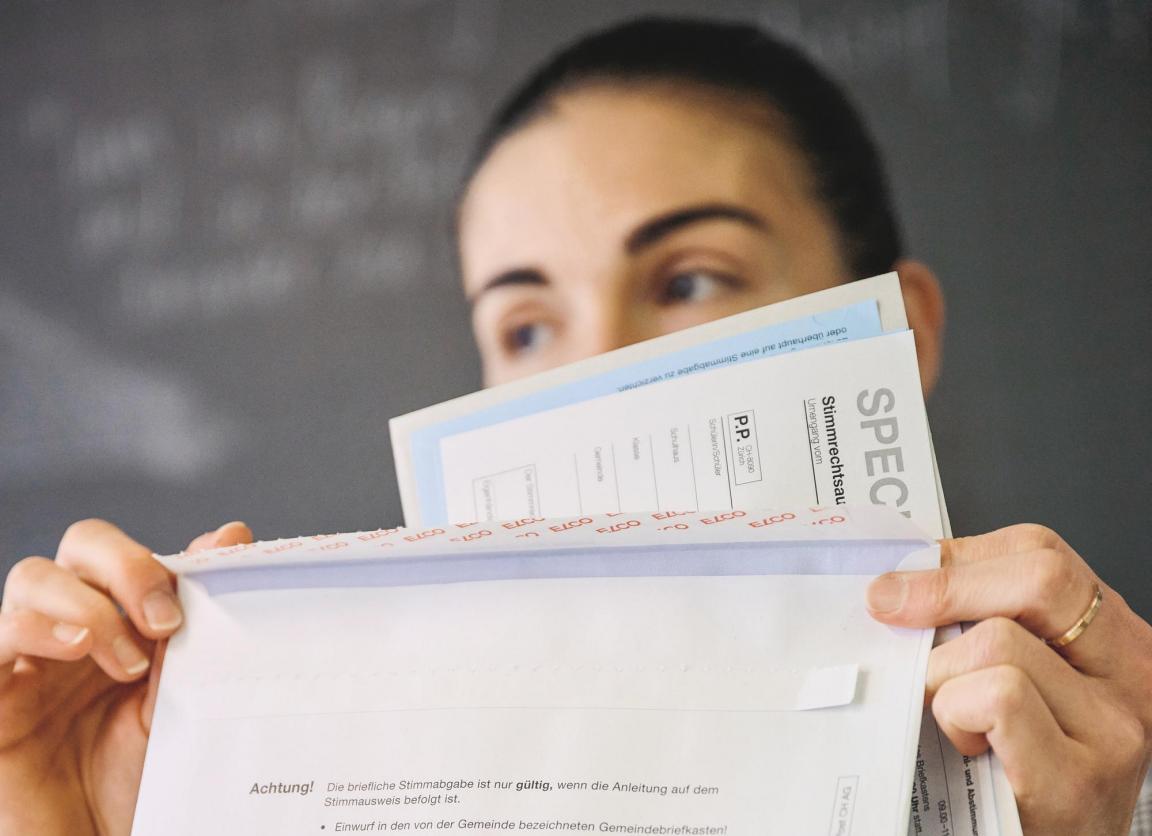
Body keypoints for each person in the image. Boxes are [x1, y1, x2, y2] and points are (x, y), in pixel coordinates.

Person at [1, 16, 1149, 836]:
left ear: (899, 331)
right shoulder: (387, 790)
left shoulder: (1104, 774)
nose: (599, 369)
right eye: (526, 326)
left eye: (690, 280)